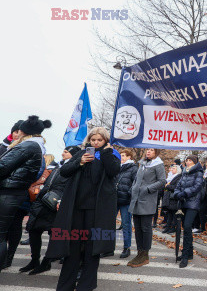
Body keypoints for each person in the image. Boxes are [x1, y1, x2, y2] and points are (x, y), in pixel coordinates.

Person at [45, 127, 121, 291]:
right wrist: (79, 162)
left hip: (97, 210)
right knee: (73, 246)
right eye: (93, 140)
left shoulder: (111, 154)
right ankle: (66, 284)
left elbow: (114, 171)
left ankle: (86, 285)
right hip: (77, 208)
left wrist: (107, 153)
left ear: (105, 141)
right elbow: (64, 171)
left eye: (99, 140)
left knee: (92, 248)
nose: (95, 143)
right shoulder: (81, 154)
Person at [0, 116, 50, 272]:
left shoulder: (28, 146)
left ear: (24, 131)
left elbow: (3, 166)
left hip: (10, 192)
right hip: (14, 192)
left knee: (2, 234)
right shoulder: (35, 146)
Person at [21, 146, 80, 275]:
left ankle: (46, 262)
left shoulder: (74, 169)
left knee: (54, 235)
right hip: (42, 202)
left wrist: (62, 200)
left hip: (56, 205)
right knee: (34, 230)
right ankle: (34, 260)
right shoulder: (59, 166)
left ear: (73, 155)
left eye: (66, 152)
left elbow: (72, 187)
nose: (63, 153)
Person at [127, 148, 166, 268]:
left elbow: (162, 181)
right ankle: (139, 253)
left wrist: (148, 189)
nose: (148, 152)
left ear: (156, 152)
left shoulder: (158, 164)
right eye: (147, 150)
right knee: (137, 227)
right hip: (136, 199)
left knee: (145, 227)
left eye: (151, 150)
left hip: (147, 199)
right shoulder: (142, 163)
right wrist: (133, 188)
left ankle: (145, 254)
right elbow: (136, 179)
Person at [173, 155, 204, 268]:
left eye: (190, 160)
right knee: (186, 228)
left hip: (193, 204)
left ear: (195, 162)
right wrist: (177, 194)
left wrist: (185, 193)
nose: (188, 162)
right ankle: (189, 253)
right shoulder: (184, 173)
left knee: (187, 226)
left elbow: (197, 187)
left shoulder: (198, 173)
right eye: (187, 160)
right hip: (183, 203)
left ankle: (185, 255)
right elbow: (178, 186)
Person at [114, 148, 138, 259]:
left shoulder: (133, 168)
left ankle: (126, 247)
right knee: (108, 224)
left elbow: (135, 183)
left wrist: (129, 194)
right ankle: (107, 248)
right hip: (114, 199)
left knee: (126, 224)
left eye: (124, 155)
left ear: (129, 157)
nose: (121, 157)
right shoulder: (118, 167)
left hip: (126, 201)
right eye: (121, 155)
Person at [162, 165, 182, 234]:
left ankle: (173, 227)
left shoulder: (178, 177)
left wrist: (168, 186)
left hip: (174, 198)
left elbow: (176, 187)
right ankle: (168, 226)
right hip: (168, 197)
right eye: (172, 168)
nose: (172, 169)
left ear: (178, 170)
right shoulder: (170, 177)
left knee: (174, 214)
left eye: (174, 168)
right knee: (169, 213)